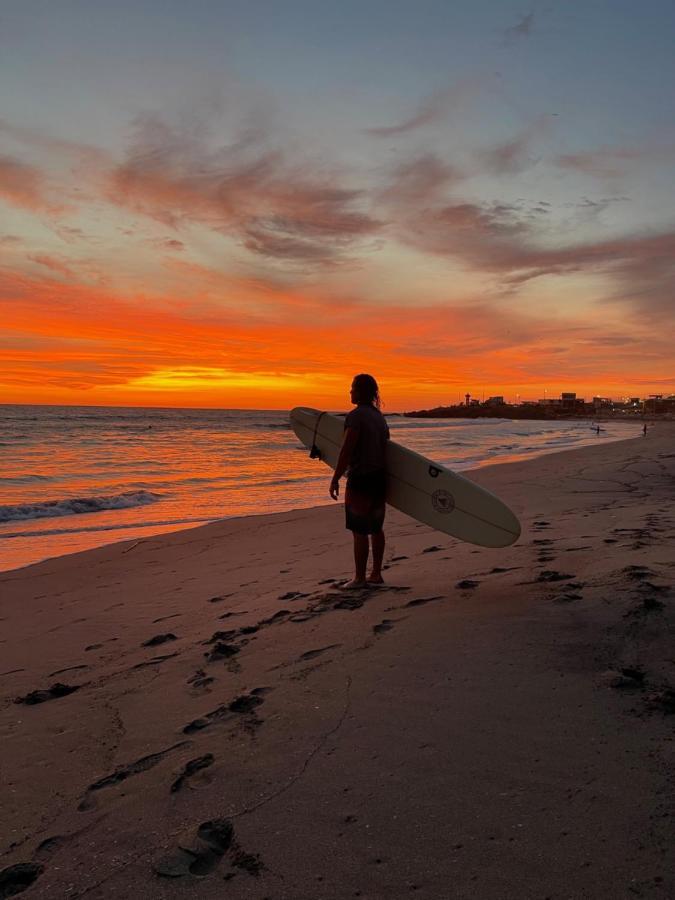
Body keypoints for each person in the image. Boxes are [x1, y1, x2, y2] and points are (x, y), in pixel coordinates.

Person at [329, 374, 389, 589]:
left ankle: (359, 578)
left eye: (353, 388)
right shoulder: (379, 418)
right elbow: (386, 450)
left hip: (361, 479)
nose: (350, 392)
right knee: (376, 527)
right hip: (379, 478)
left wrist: (336, 478)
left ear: (361, 391)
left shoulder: (355, 417)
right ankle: (376, 574)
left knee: (359, 529)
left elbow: (347, 449)